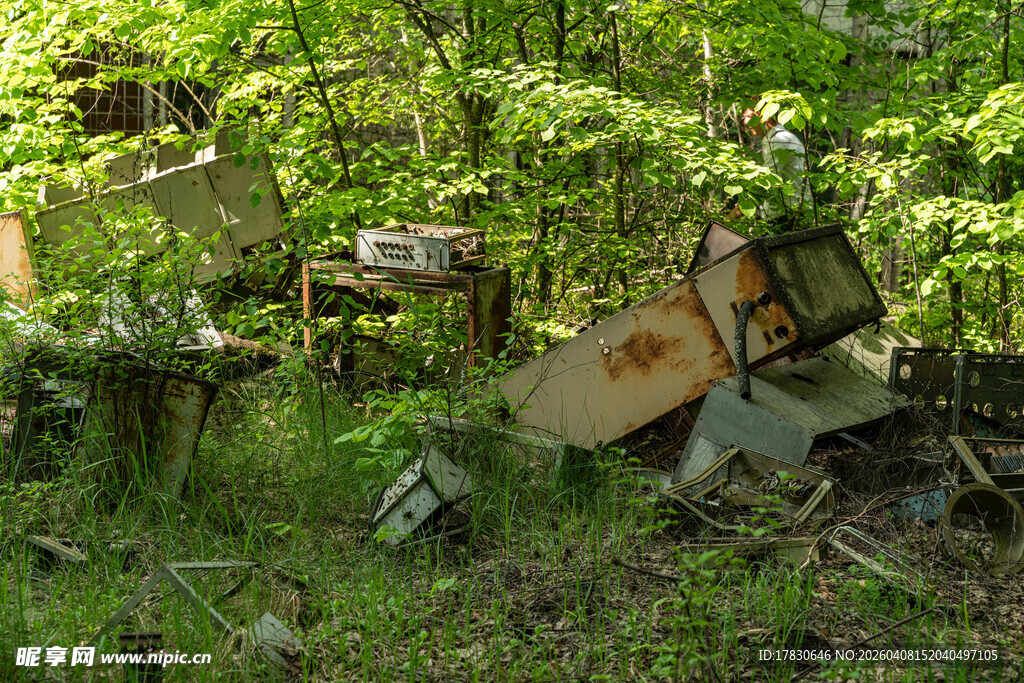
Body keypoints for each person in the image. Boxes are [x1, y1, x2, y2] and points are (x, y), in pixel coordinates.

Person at [728, 106, 810, 229]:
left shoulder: (778, 140)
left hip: (788, 217)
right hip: (788, 214)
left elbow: (766, 183)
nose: (745, 122)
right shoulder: (775, 138)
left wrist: (731, 218)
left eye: (749, 117)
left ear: (767, 117)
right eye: (744, 117)